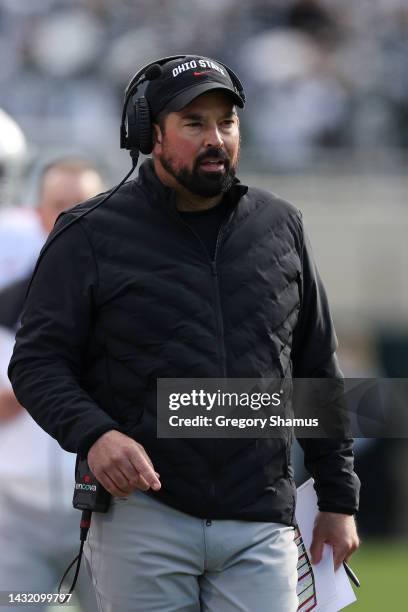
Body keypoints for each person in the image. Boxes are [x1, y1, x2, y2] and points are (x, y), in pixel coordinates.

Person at [9, 55, 360, 612]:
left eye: (227, 122)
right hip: (141, 514)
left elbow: (316, 368)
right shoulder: (87, 233)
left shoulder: (282, 224)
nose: (216, 138)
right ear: (150, 132)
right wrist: (96, 435)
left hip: (262, 517)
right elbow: (36, 362)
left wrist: (338, 499)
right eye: (194, 123)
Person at [0, 157, 104, 612]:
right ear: (38, 213)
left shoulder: (142, 304)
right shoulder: (6, 308)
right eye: (60, 206)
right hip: (18, 518)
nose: (72, 218)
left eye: (84, 205)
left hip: (111, 514)